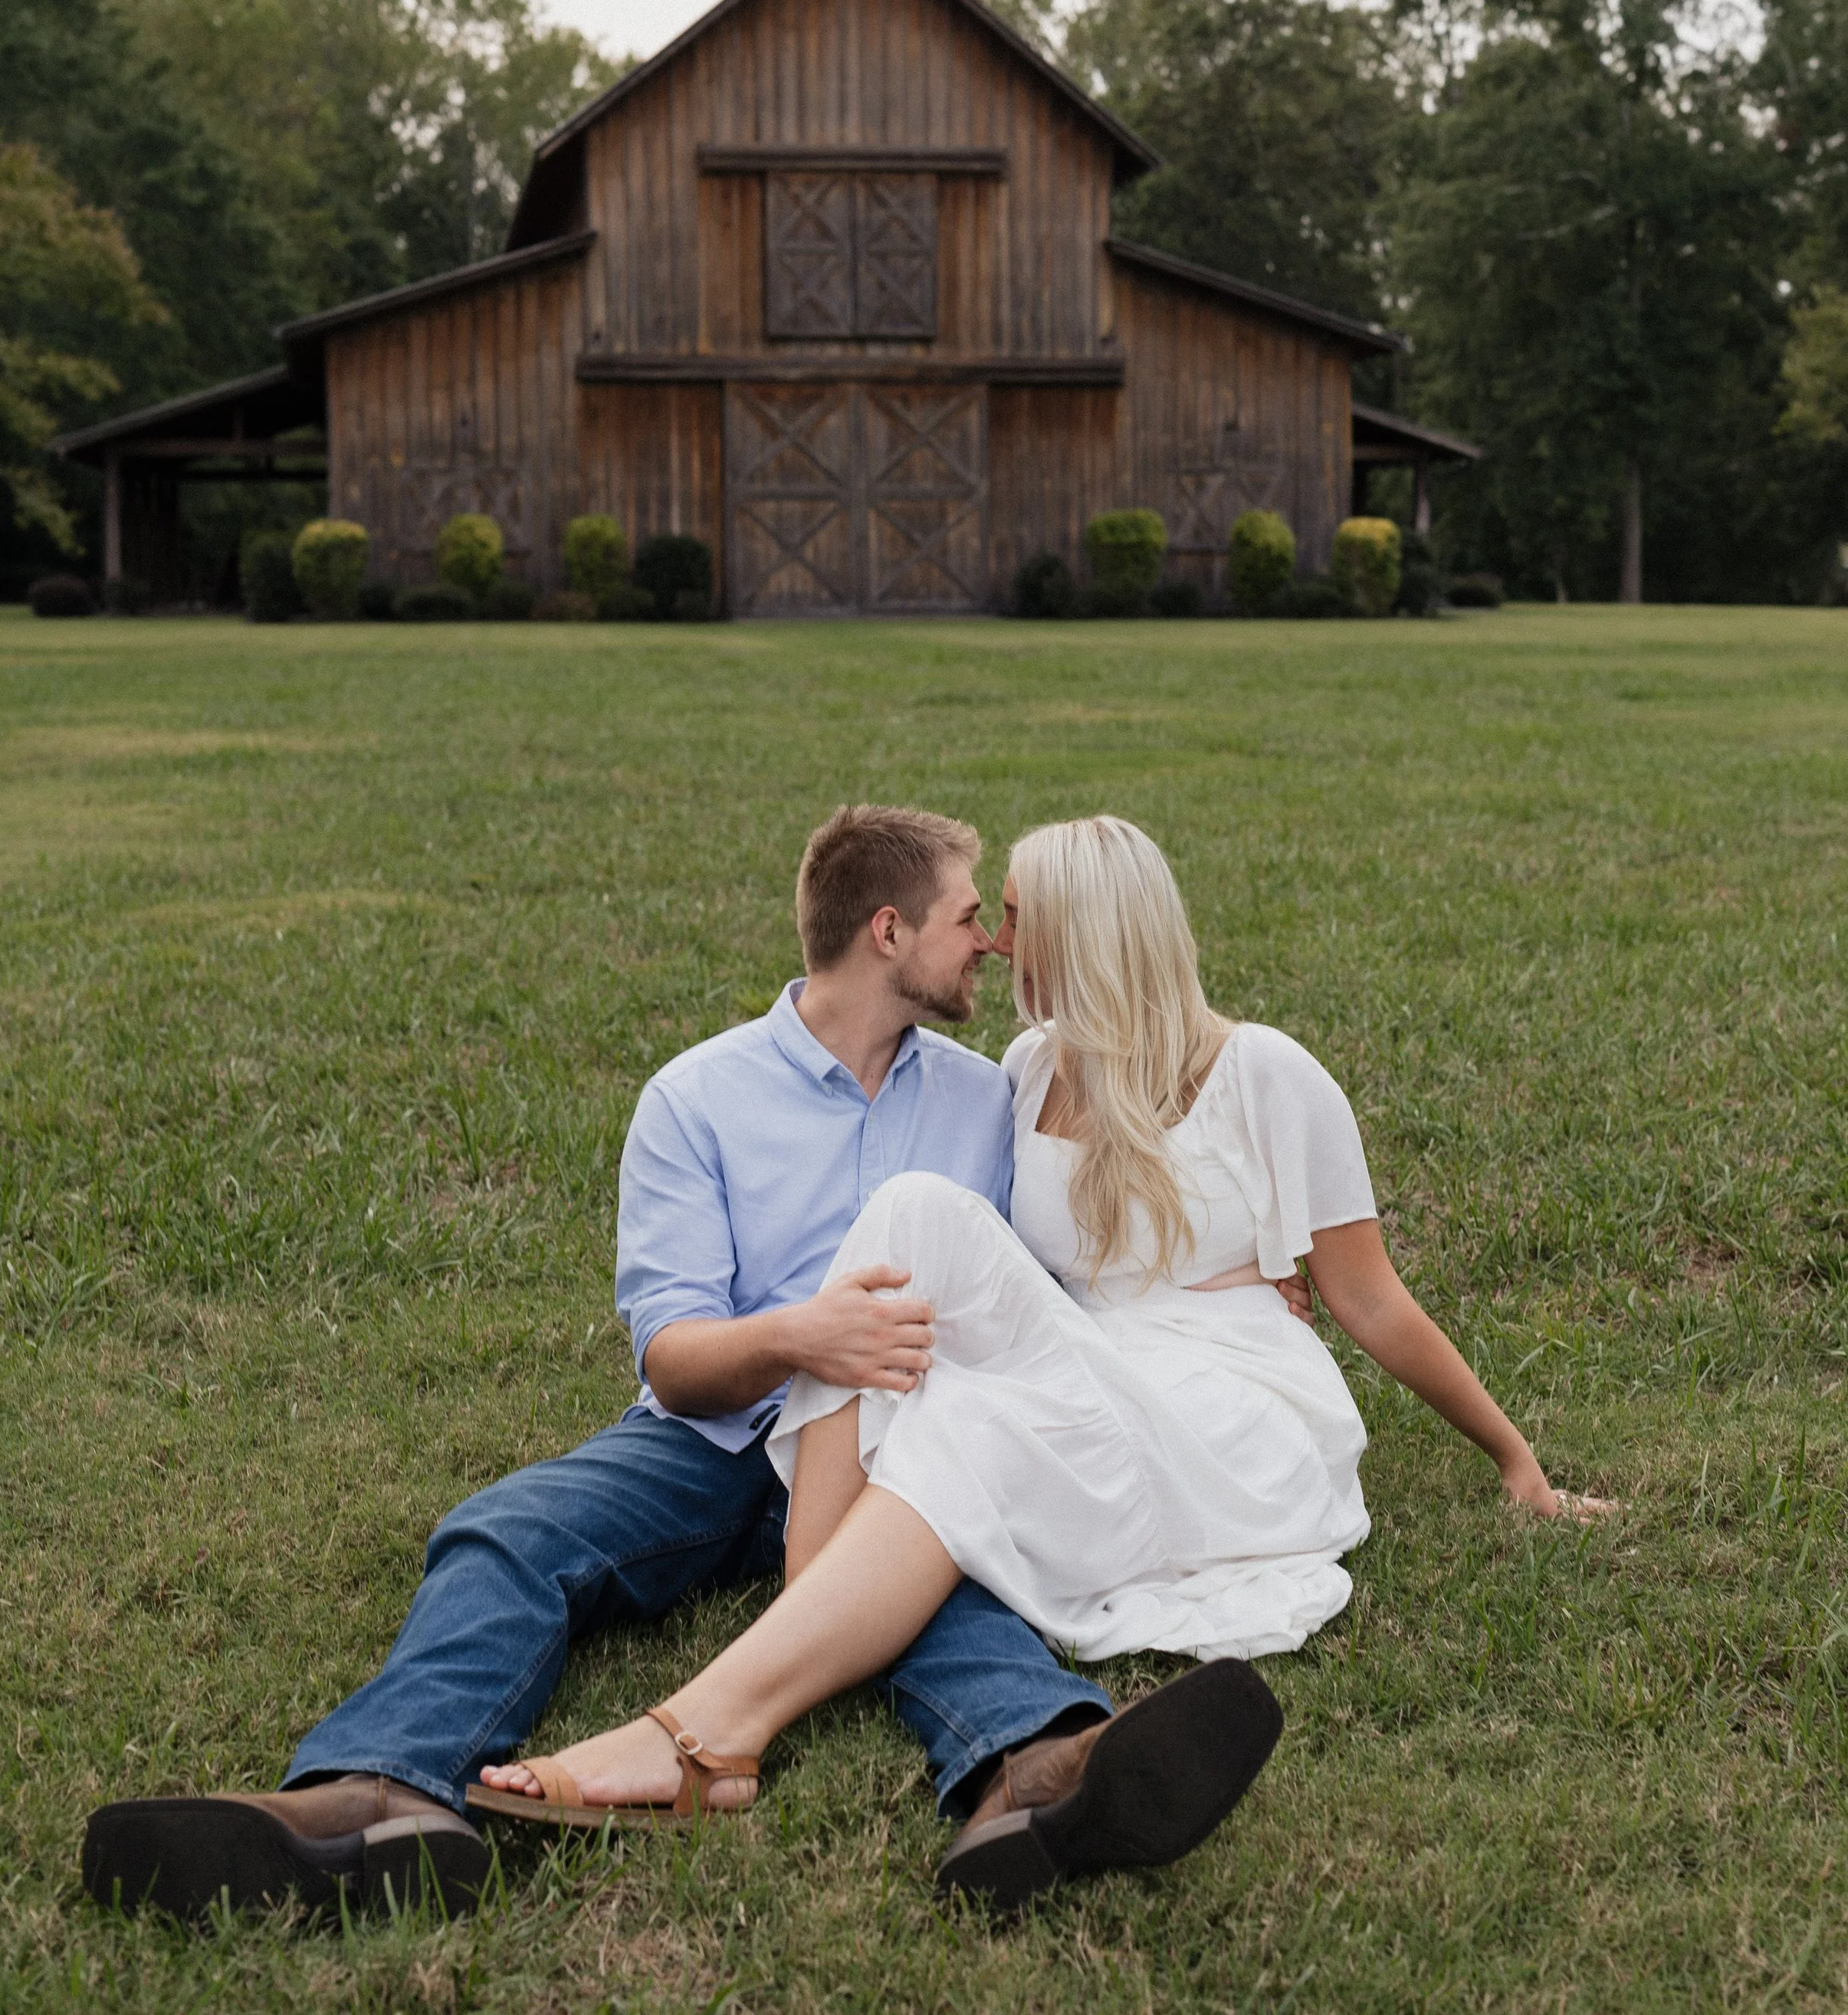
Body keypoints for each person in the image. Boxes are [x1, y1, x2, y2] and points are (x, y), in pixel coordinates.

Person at [83, 805, 1282, 1926]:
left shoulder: (989, 1095)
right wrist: (800, 1337)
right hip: (709, 1439)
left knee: (943, 1569)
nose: (992, 943)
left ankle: (1039, 1768)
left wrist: (1240, 1280)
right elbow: (673, 1352)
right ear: (887, 932)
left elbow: (1061, 1259)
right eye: (972, 916)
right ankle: (368, 1794)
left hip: (902, 1436)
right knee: (507, 1533)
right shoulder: (696, 1099)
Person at [475, 815, 1612, 1910]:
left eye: (1017, 916)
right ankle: (791, 1628)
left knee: (950, 1383)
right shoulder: (1026, 1071)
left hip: (1228, 1412)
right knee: (910, 1220)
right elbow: (1020, 1276)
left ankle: (716, 1718)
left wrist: (1516, 1460)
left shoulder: (1267, 1072)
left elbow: (1372, 1299)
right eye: (992, 915)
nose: (998, 941)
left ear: (1088, 932)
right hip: (1095, 1375)